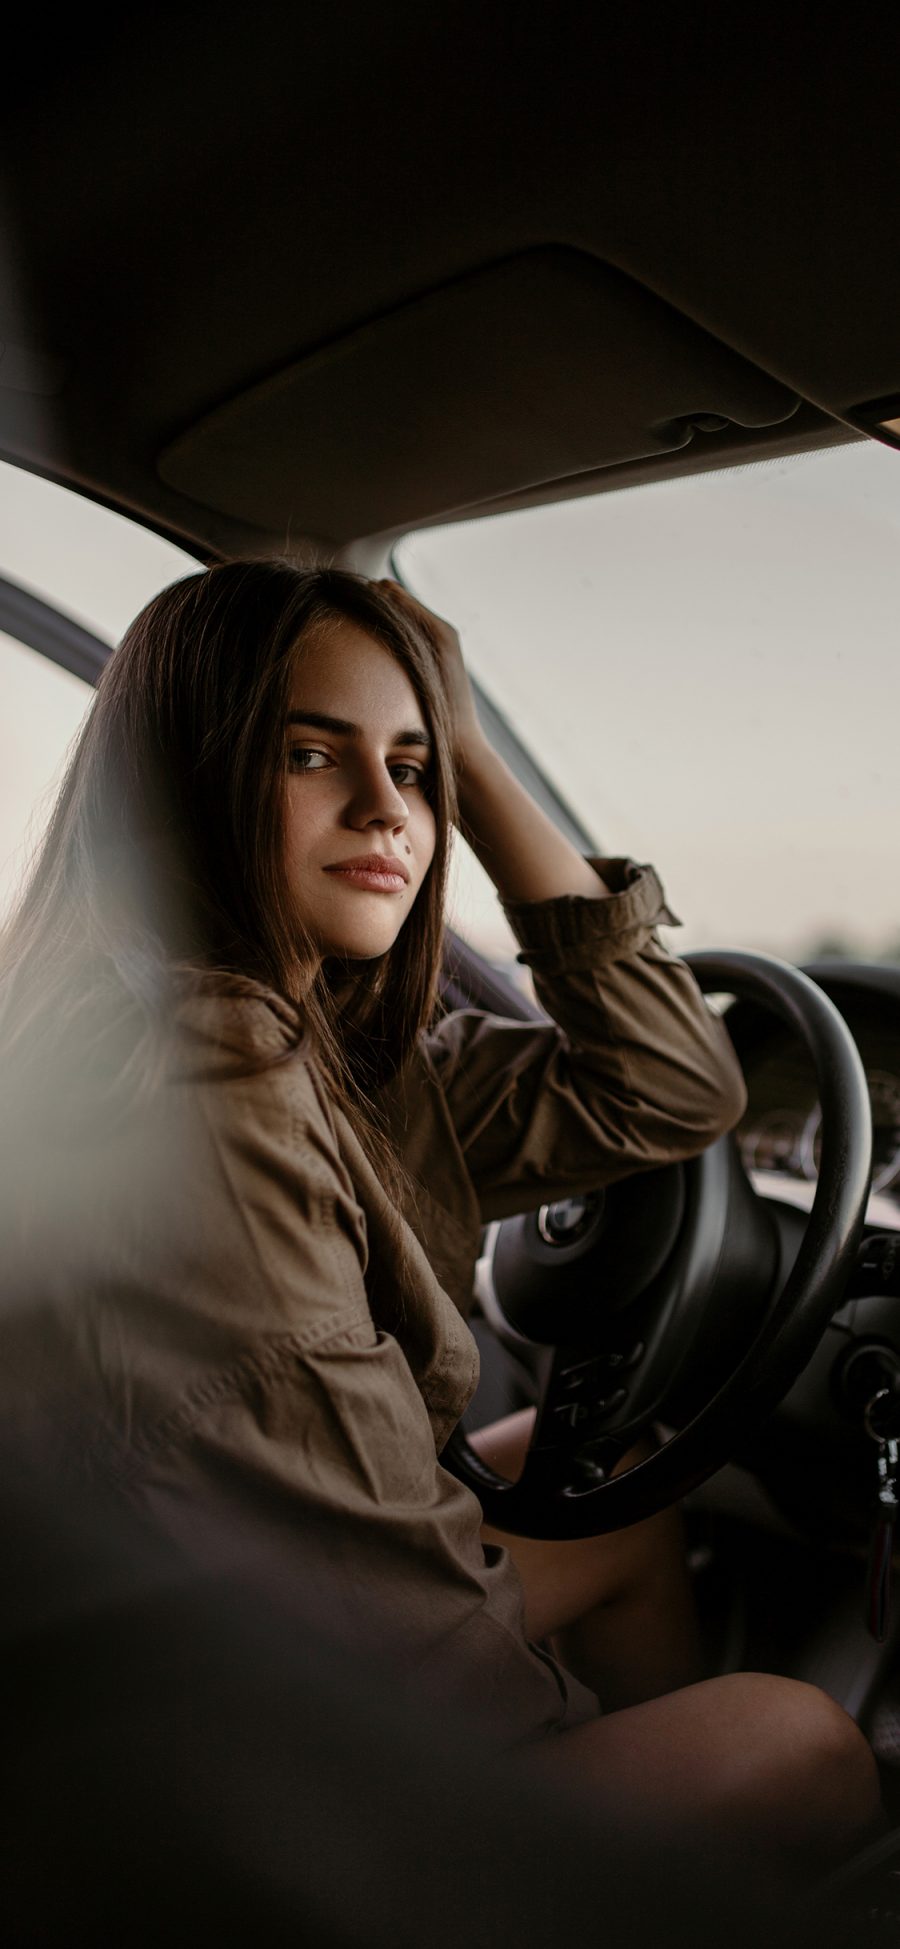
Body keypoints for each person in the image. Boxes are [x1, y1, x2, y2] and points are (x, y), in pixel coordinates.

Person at [0, 563, 880, 1887]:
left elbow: (676, 1084)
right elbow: (369, 1582)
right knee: (806, 1741)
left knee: (618, 1495)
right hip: (268, 1757)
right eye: (310, 752)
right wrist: (556, 1764)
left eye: (413, 767)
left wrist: (460, 730)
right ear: (185, 773)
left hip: (203, 1662)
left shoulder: (331, 1048)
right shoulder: (213, 1070)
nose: (387, 810)